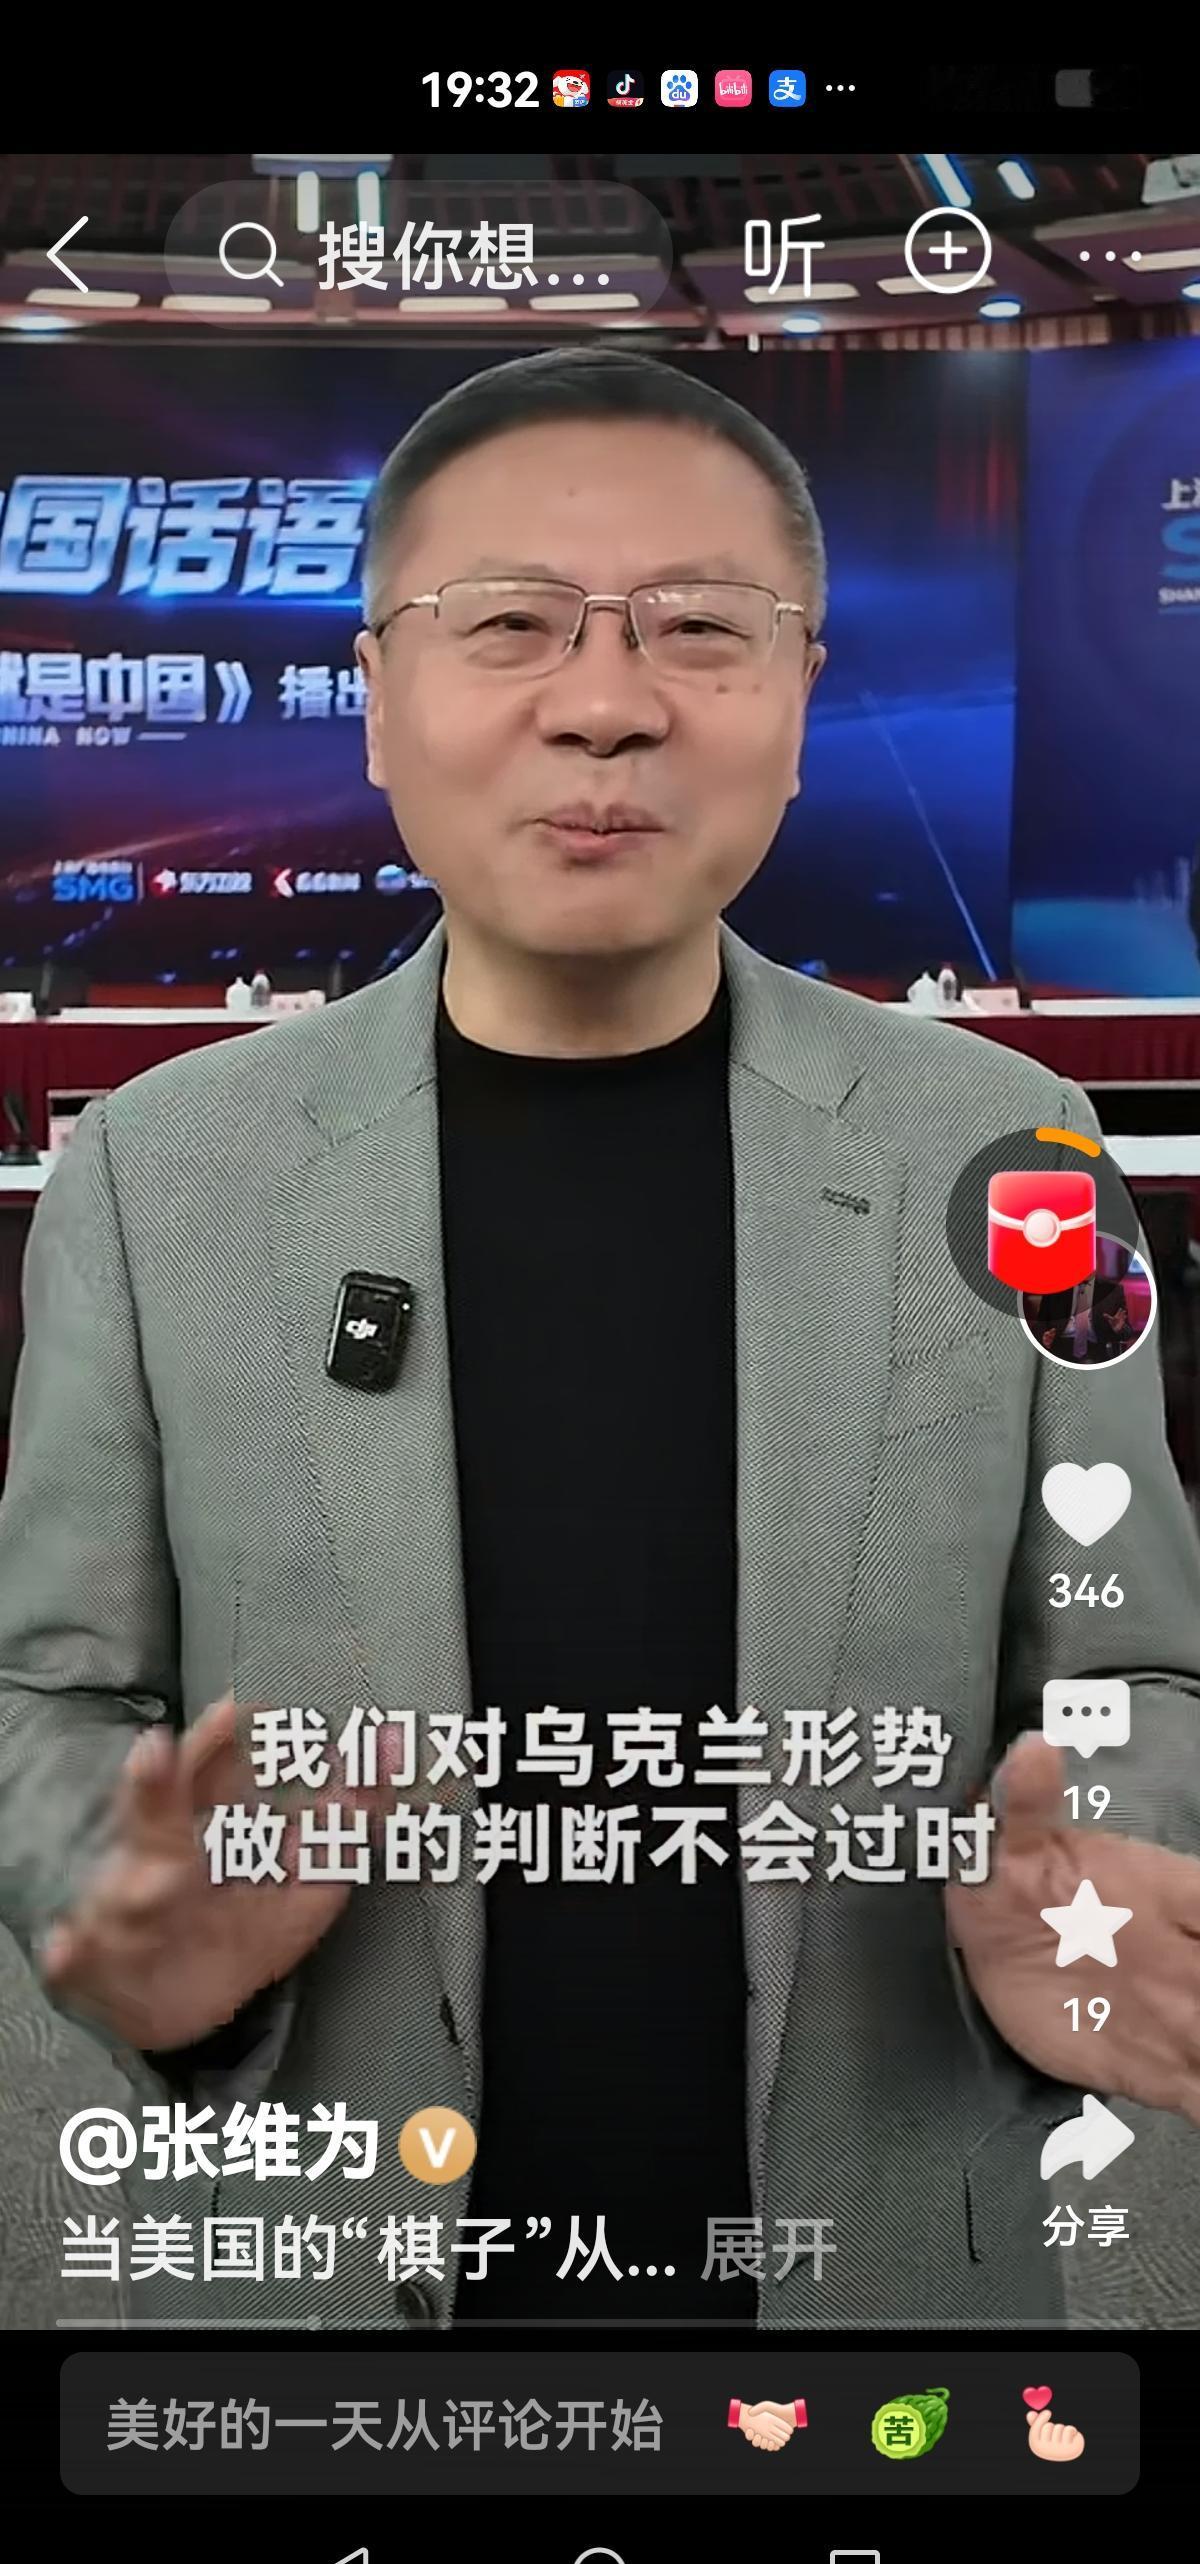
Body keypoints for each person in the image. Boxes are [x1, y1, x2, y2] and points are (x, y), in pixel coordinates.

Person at [1, 344, 1200, 2338]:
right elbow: (50, 1690)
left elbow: (1135, 1659)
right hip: (324, 2285)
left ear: (804, 697)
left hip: (880, 2284)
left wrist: (1097, 1862)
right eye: (510, 625)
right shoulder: (154, 1175)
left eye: (702, 628)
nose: (607, 702)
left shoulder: (1018, 1154)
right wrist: (105, 1909)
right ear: (376, 697)